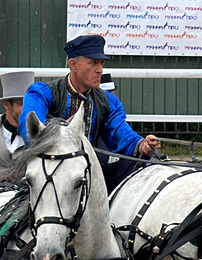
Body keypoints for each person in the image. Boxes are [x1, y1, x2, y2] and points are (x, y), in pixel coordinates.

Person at [19, 34, 161, 191]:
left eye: (101, 63)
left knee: (137, 169)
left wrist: (142, 145)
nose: (99, 70)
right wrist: (62, 128)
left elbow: (121, 134)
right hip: (48, 168)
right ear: (73, 65)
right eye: (93, 63)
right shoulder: (42, 93)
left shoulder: (107, 102)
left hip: (86, 171)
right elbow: (29, 129)